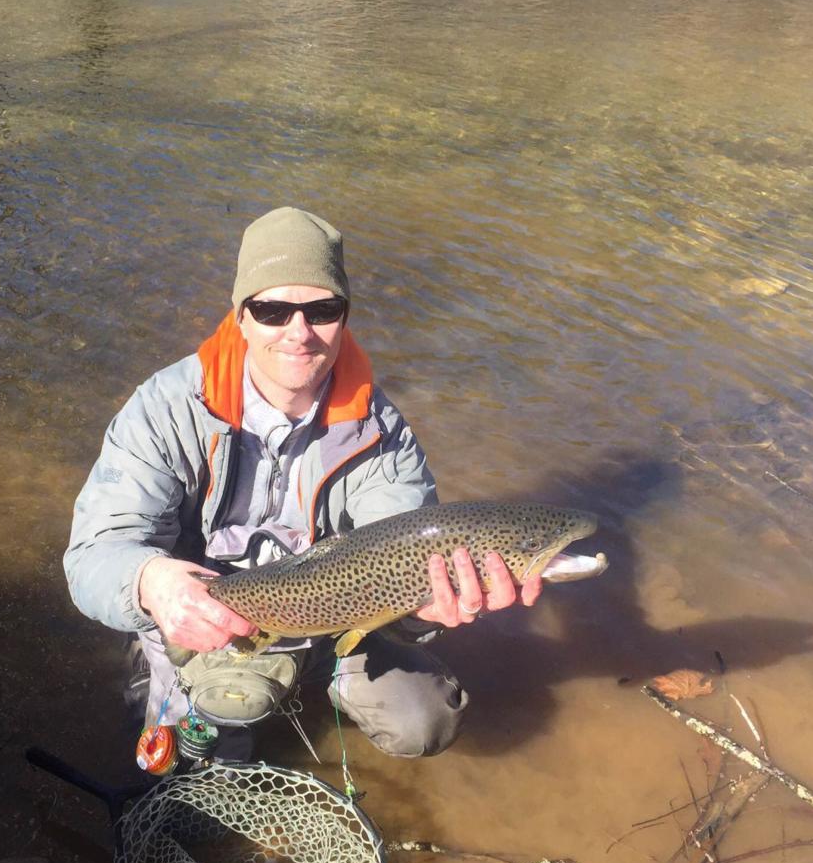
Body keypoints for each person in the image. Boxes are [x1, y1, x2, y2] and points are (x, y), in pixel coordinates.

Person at [64, 206, 544, 758]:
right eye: (272, 310)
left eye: (322, 309)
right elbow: (93, 557)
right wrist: (152, 585)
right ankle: (171, 668)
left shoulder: (379, 432)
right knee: (204, 751)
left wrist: (424, 612)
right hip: (205, 611)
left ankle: (307, 677)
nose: (299, 332)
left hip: (330, 617)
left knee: (425, 721)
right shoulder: (165, 409)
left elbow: (403, 550)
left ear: (345, 317)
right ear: (240, 316)